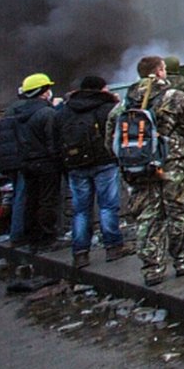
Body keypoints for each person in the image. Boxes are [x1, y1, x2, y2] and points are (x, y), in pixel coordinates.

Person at [112, 55, 184, 286]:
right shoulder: (174, 98)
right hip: (172, 164)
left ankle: (152, 268)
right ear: (158, 72)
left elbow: (112, 141)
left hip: (139, 167)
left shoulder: (124, 104)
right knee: (179, 212)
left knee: (148, 217)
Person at [57, 75, 130, 268]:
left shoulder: (66, 110)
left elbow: (57, 137)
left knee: (80, 210)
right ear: (101, 89)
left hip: (76, 164)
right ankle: (113, 246)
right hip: (104, 161)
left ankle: (80, 253)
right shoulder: (106, 107)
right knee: (107, 205)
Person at [3, 72, 61, 249]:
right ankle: (47, 238)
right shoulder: (47, 113)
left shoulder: (17, 115)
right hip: (46, 163)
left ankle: (32, 238)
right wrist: (58, 161)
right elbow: (53, 141)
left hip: (26, 163)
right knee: (47, 201)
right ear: (43, 92)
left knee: (31, 200)